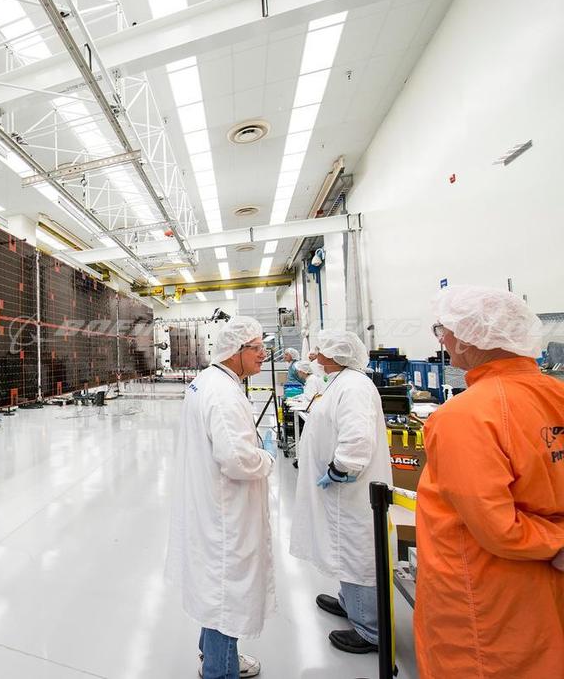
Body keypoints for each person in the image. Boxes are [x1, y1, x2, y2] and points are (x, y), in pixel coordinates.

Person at [415, 286, 564, 679]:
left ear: (468, 337)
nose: (442, 340)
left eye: (443, 330)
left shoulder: (462, 417)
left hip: (487, 599)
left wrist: (558, 542)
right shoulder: (556, 394)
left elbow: (498, 527)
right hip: (548, 590)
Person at [165, 316, 276, 679]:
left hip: (212, 504)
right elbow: (237, 459)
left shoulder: (207, 381)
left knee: (216, 587)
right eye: (256, 348)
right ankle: (220, 669)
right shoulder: (224, 393)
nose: (263, 354)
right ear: (235, 350)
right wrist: (266, 458)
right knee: (228, 592)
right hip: (226, 511)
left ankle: (212, 655)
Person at [290, 330, 392, 654]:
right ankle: (350, 604)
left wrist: (340, 468)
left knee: (356, 551)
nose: (316, 355)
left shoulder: (354, 387)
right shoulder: (341, 381)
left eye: (322, 350)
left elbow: (357, 437)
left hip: (350, 488)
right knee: (343, 548)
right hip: (340, 492)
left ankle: (369, 630)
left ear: (337, 356)